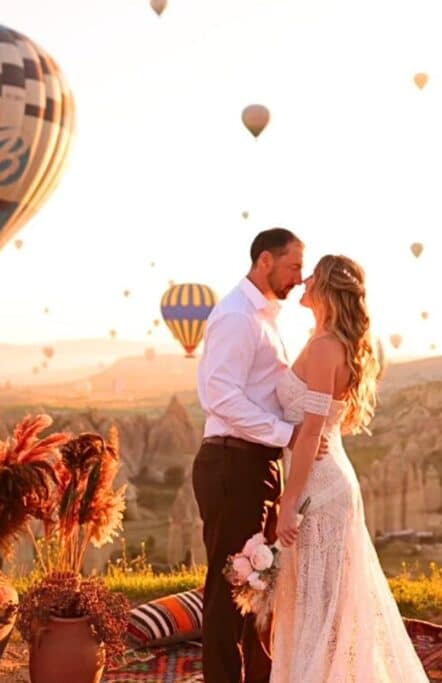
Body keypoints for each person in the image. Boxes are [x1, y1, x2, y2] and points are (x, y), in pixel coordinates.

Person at [270, 254, 430, 682]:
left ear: (325, 289)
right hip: (325, 480)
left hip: (320, 489)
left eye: (312, 276)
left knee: (320, 611)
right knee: (322, 608)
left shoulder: (325, 348)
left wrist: (289, 503)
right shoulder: (324, 341)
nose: (302, 280)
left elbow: (309, 434)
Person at [193, 228, 325, 683]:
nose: (299, 277)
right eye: (293, 266)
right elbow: (221, 398)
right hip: (232, 464)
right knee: (230, 585)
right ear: (265, 261)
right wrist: (287, 435)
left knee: (259, 582)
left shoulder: (267, 317)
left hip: (257, 464)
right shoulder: (236, 316)